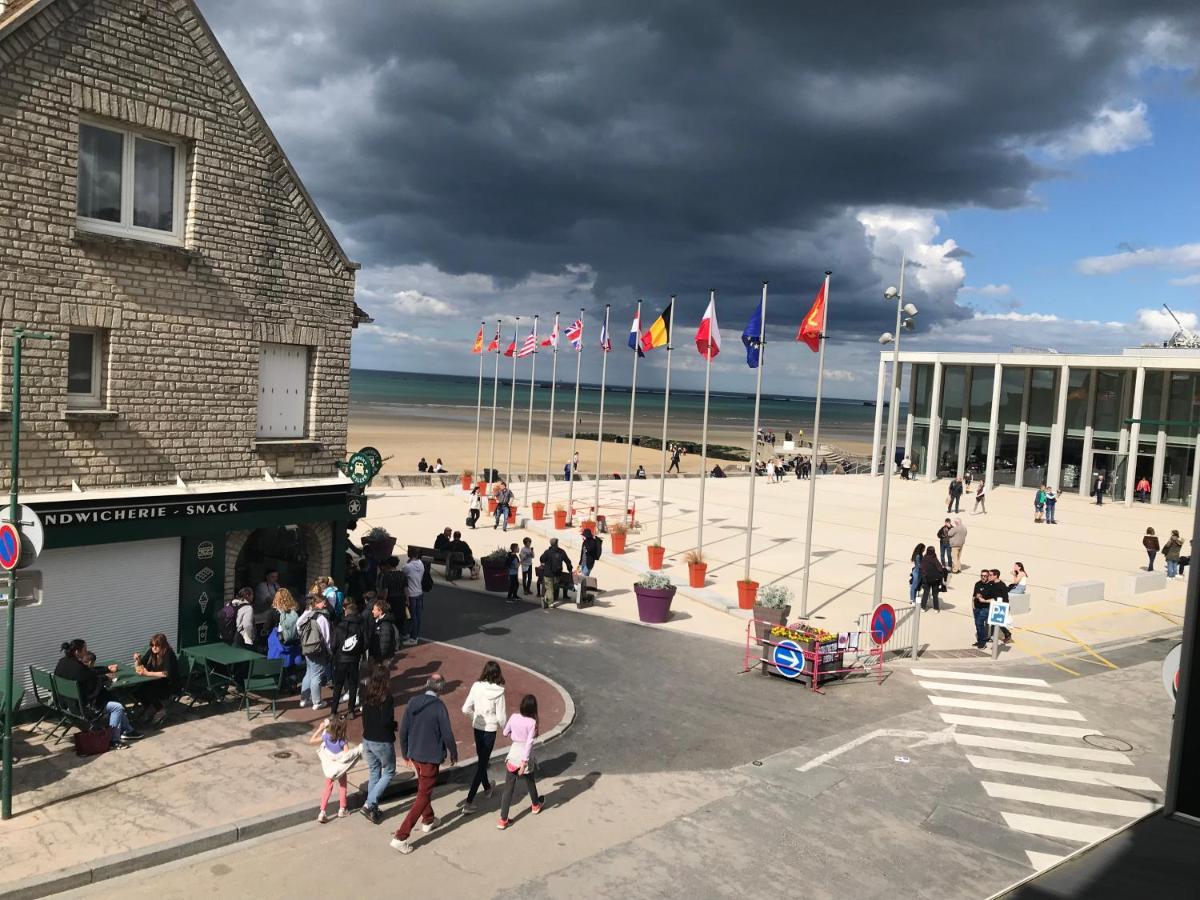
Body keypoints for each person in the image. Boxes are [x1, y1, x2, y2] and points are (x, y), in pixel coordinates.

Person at [391, 674, 458, 854]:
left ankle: (428, 819)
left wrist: (405, 752)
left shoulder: (413, 702)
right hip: (431, 756)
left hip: (415, 754)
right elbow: (447, 733)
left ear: (426, 684)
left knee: (423, 788)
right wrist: (453, 752)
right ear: (441, 688)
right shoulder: (439, 707)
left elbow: (404, 729)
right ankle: (401, 835)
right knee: (423, 794)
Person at [55, 640, 142, 748]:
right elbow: (91, 680)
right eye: (85, 650)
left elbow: (89, 673)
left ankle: (128, 730)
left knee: (113, 701)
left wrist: (106, 670)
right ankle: (113, 740)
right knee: (117, 707)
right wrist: (106, 678)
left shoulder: (63, 662)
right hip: (82, 707)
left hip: (66, 703)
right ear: (77, 652)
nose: (86, 652)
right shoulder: (77, 668)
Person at [461, 660, 508, 814]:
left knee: (482, 760)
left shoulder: (476, 686)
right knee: (482, 764)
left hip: (478, 727)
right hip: (490, 729)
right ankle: (468, 802)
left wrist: (475, 717)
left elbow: (465, 708)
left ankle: (487, 788)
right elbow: (501, 717)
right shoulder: (500, 692)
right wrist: (506, 729)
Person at [497, 694, 545, 830]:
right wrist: (524, 762)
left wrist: (514, 736)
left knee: (508, 788)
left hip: (513, 754)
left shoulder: (513, 717)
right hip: (525, 755)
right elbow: (529, 743)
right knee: (530, 781)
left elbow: (505, 733)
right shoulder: (532, 723)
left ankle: (503, 819)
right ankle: (535, 805)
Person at [359, 664, 397, 825]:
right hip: (382, 740)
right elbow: (385, 721)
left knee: (374, 771)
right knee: (389, 771)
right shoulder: (387, 697)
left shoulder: (367, 693)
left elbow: (364, 717)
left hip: (367, 738)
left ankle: (371, 804)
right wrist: (394, 725)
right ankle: (370, 803)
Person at [309, 715, 353, 823]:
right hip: (339, 768)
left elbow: (311, 740)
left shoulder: (326, 737)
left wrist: (320, 728)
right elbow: (347, 756)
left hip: (329, 767)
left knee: (327, 788)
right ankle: (342, 809)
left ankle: (322, 812)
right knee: (342, 787)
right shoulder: (342, 741)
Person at [329, 600, 367, 717]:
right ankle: (351, 710)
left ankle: (333, 711)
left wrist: (336, 654)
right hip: (354, 660)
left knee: (338, 686)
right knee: (353, 685)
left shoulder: (339, 627)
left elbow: (333, 645)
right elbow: (365, 644)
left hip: (341, 660)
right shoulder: (360, 627)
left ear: (346, 613)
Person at [132, 633, 180, 725]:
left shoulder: (168, 654)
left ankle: (160, 709)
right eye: (152, 645)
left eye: (157, 645)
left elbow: (166, 673)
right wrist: (137, 660)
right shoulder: (152, 652)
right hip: (155, 681)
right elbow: (141, 663)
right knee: (137, 690)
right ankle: (148, 707)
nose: (154, 647)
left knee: (149, 691)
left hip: (169, 684)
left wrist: (148, 673)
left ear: (163, 645)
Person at [297, 593, 332, 709]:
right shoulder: (321, 617)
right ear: (317, 603)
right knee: (317, 675)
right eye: (323, 602)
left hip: (306, 647)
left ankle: (304, 699)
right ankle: (317, 702)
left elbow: (298, 626)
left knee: (309, 673)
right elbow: (327, 637)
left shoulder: (306, 614)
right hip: (318, 649)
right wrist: (330, 651)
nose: (325, 604)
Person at [267, 588, 303, 691]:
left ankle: (281, 687)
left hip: (278, 643)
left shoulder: (273, 612)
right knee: (292, 666)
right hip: (293, 642)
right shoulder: (296, 610)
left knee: (278, 665)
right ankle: (292, 686)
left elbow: (267, 627)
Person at [366, 598, 401, 667]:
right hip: (379, 656)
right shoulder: (379, 622)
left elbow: (385, 644)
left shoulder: (385, 626)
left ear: (380, 611)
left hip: (381, 658)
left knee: (380, 675)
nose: (372, 611)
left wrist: (379, 658)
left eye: (374, 610)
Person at [539, 537, 572, 609]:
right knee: (553, 587)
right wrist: (570, 570)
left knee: (549, 588)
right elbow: (567, 561)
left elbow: (542, 559)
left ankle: (548, 601)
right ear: (557, 543)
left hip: (548, 573)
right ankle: (550, 600)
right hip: (557, 574)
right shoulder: (561, 552)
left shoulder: (547, 552)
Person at [402, 549, 425, 647]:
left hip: (411, 594)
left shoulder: (407, 566)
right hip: (419, 592)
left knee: (412, 616)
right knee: (418, 615)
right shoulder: (421, 563)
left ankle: (413, 638)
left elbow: (403, 572)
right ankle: (415, 635)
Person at [986, 568, 1012, 645]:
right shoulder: (991, 583)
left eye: (990, 575)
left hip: (1002, 606)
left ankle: (1006, 634)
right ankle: (993, 636)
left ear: (996, 576)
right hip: (995, 605)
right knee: (994, 622)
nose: (989, 576)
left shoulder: (1001, 585)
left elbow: (1001, 598)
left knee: (997, 622)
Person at [919, 546, 945, 612]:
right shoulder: (934, 558)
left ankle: (923, 607)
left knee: (925, 593)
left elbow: (922, 568)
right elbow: (940, 568)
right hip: (935, 581)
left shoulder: (925, 558)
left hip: (926, 579)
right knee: (935, 595)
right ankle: (936, 608)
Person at [970, 573, 991, 649]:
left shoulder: (991, 585)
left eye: (985, 576)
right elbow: (974, 595)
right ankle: (980, 641)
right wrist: (973, 606)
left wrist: (984, 600)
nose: (983, 577)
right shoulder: (977, 584)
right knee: (977, 624)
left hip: (985, 608)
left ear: (988, 576)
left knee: (979, 623)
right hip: (976, 607)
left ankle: (982, 643)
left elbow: (993, 598)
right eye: (982, 576)